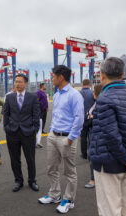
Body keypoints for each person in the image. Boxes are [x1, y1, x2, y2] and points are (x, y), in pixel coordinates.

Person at [89, 57, 126, 216]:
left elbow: (111, 135)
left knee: (109, 210)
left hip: (109, 164)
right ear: (122, 75)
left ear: (102, 75)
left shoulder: (104, 98)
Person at [38, 65, 84, 214]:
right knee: (51, 168)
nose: (52, 79)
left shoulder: (74, 95)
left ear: (61, 77)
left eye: (53, 76)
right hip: (53, 136)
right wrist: (51, 131)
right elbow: (57, 115)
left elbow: (79, 119)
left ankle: (69, 200)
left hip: (66, 138)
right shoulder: (57, 94)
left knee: (69, 171)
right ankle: (54, 194)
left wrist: (70, 139)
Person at [3, 73, 40, 192]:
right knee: (14, 159)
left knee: (30, 158)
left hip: (28, 132)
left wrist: (34, 129)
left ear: (25, 83)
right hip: (12, 133)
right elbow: (6, 114)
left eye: (20, 82)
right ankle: (18, 181)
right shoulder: (9, 97)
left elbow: (36, 115)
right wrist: (6, 128)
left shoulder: (32, 97)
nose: (17, 84)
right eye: (16, 81)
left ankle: (32, 181)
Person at [84, 84, 102, 189]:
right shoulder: (96, 103)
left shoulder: (100, 104)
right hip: (93, 131)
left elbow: (95, 117)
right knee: (92, 154)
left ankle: (93, 179)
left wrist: (90, 116)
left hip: (97, 133)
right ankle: (94, 178)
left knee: (92, 155)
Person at [80, 79, 95, 159]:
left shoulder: (78, 94)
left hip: (81, 118)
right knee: (92, 136)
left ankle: (84, 154)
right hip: (91, 117)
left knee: (83, 137)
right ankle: (92, 153)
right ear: (89, 84)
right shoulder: (92, 93)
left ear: (83, 84)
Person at [36, 83, 49, 148]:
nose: (45, 86)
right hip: (40, 109)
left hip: (44, 108)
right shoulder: (39, 92)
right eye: (45, 85)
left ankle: (42, 129)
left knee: (44, 119)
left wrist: (47, 107)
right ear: (42, 86)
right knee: (40, 120)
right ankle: (39, 129)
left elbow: (45, 100)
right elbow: (37, 100)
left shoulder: (44, 92)